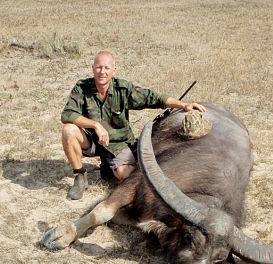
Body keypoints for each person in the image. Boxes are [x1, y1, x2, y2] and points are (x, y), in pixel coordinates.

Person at [61, 51, 207, 200]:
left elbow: (154, 98)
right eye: (98, 67)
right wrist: (95, 125)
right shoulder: (82, 87)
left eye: (106, 68)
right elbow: (67, 114)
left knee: (125, 175)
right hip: (93, 140)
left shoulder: (123, 89)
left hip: (118, 144)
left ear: (113, 70)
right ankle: (80, 177)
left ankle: (110, 166)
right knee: (69, 130)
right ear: (93, 68)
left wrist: (183, 104)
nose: (102, 72)